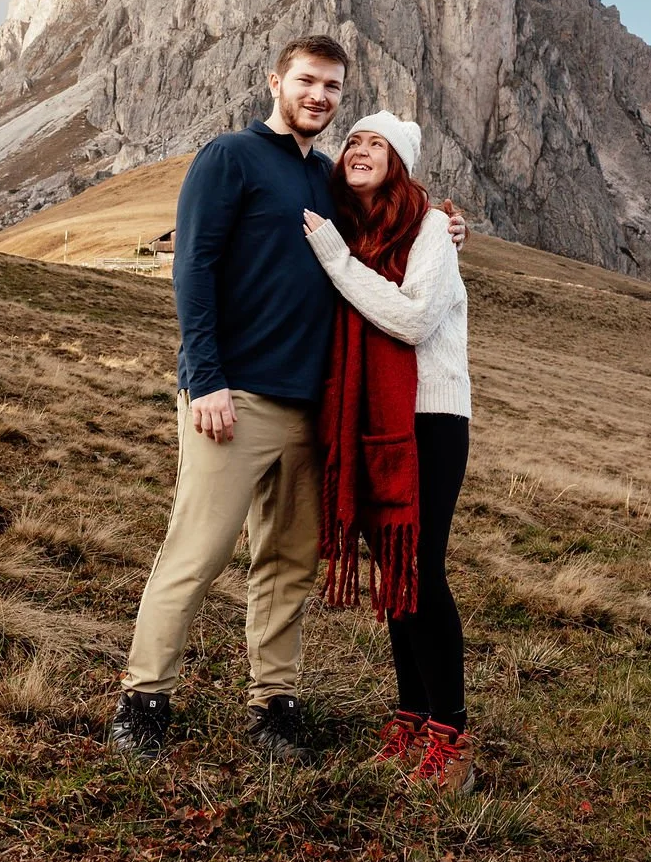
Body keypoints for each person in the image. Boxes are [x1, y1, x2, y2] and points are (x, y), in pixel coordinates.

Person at [111, 39, 466, 761]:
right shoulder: (229, 158)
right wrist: (203, 377)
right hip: (234, 394)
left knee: (289, 563)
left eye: (333, 87)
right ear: (276, 81)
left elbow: (391, 221)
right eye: (307, 81)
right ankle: (143, 699)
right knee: (198, 550)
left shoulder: (330, 178)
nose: (320, 96)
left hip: (317, 409)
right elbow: (194, 267)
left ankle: (274, 704)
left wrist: (448, 223)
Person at [303, 111, 473, 793]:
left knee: (420, 570)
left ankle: (452, 735)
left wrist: (338, 262)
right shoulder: (344, 229)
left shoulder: (431, 227)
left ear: (399, 164)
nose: (361, 149)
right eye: (354, 141)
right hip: (370, 415)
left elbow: (411, 316)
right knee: (394, 573)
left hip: (429, 414)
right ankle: (410, 718)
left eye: (378, 143)